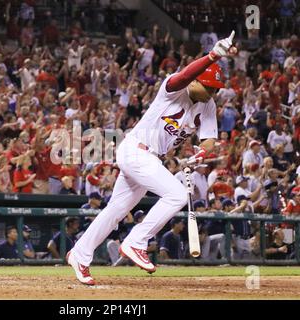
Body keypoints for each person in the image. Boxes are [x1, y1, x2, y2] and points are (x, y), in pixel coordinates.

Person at [67, 31, 237, 285]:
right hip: (136, 149)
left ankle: (79, 255)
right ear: (195, 82)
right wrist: (212, 56)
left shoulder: (208, 105)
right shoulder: (173, 88)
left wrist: (200, 154)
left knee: (115, 211)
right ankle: (136, 241)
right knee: (177, 195)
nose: (213, 92)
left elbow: (209, 139)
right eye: (209, 87)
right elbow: (185, 75)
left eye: (216, 89)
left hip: (149, 159)